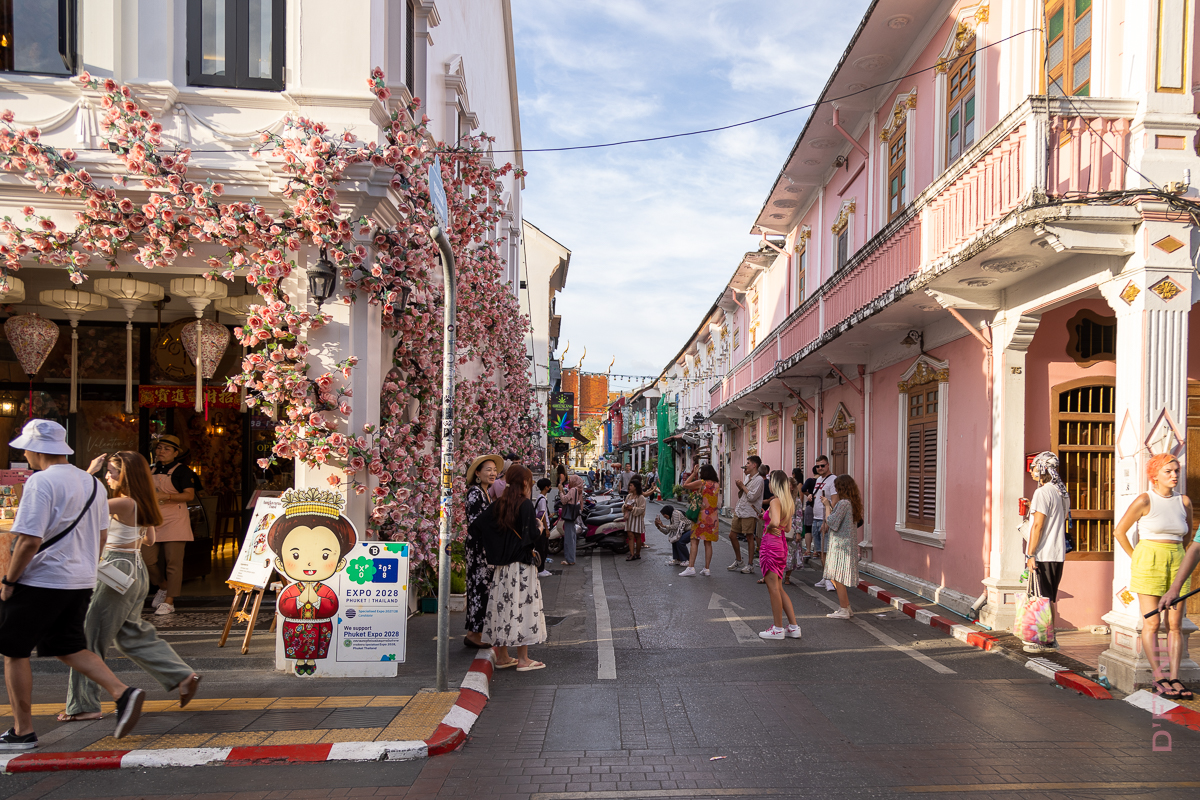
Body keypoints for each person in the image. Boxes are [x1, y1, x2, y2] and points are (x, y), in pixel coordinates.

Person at [0, 419, 146, 749]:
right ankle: (123, 692)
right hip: (79, 580)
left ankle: (23, 730)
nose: (24, 454)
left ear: (36, 450)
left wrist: (10, 580)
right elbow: (102, 536)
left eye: (25, 448)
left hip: (41, 579)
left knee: (14, 650)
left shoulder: (40, 482)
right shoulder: (92, 484)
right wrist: (85, 571)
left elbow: (29, 541)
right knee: (67, 646)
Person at [62, 452, 202, 721]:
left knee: (89, 638)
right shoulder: (143, 503)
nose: (107, 476)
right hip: (136, 570)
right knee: (130, 634)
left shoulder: (123, 503)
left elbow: (76, 507)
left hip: (116, 569)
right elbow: (149, 539)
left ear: (125, 476)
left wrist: (88, 473)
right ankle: (181, 675)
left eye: (111, 472)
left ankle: (84, 705)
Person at [1116, 453, 1195, 700]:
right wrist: (1136, 557)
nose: (1174, 475)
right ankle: (1159, 677)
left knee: (1175, 624)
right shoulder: (1145, 499)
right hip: (1149, 559)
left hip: (1177, 558)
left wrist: (1180, 555)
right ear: (1155, 475)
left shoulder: (1184, 501)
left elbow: (1188, 535)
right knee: (1151, 622)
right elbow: (1119, 531)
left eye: (1176, 471)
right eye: (1168, 471)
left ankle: (1174, 677)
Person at [268, 490, 357, 676]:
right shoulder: (292, 590)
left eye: (325, 555)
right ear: (280, 562)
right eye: (296, 555)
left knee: (316, 644)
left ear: (340, 563)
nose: (309, 563)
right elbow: (284, 606)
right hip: (295, 626)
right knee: (297, 643)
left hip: (320, 626)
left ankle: (311, 661)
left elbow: (332, 606)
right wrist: (298, 601)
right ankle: (300, 661)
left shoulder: (325, 591)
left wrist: (317, 601)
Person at [474, 465, 546, 671]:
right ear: (524, 482)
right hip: (522, 567)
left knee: (503, 608)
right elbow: (530, 536)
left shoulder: (500, 504)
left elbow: (477, 527)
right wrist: (540, 528)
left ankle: (503, 656)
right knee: (523, 608)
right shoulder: (525, 504)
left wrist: (498, 546)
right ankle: (523, 659)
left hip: (503, 568)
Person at [1020, 451, 1070, 655]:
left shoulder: (1042, 493)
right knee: (1048, 599)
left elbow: (1038, 526)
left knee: (1040, 597)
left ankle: (1042, 640)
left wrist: (1030, 554)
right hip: (1057, 554)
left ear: (1042, 469)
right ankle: (1050, 638)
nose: (1031, 472)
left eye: (1033, 468)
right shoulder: (1061, 492)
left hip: (1043, 553)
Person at [145, 434, 199, 616]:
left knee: (173, 563)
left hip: (175, 519)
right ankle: (163, 586)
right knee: (147, 559)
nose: (161, 451)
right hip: (153, 518)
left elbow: (189, 495)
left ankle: (169, 601)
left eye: (166, 449)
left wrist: (166, 496)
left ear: (176, 453)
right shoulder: (150, 469)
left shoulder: (183, 471)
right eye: (159, 448)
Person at [463, 454, 503, 648]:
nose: (492, 473)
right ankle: (473, 633)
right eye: (488, 470)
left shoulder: (485, 492)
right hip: (478, 549)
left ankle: (477, 631)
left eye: (494, 470)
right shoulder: (475, 492)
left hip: (485, 549)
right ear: (477, 473)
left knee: (484, 590)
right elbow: (477, 522)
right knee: (478, 590)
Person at [758, 470, 803, 640]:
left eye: (770, 481)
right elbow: (788, 527)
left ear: (775, 484)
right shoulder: (788, 502)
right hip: (781, 544)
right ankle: (793, 626)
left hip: (771, 545)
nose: (768, 484)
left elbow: (775, 522)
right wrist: (768, 519)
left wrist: (769, 525)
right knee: (779, 587)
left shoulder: (775, 501)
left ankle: (777, 628)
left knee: (773, 589)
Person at [821, 474, 863, 619]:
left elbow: (831, 521)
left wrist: (827, 506)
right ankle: (846, 607)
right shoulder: (850, 503)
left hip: (840, 545)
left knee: (837, 577)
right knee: (836, 576)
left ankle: (844, 609)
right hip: (846, 544)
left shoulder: (843, 503)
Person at [678, 464, 720, 576]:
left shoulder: (702, 483)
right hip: (713, 517)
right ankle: (707, 568)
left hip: (701, 517)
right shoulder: (717, 484)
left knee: (694, 541)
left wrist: (693, 473)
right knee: (708, 543)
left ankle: (691, 567)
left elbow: (685, 485)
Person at [729, 455, 763, 573]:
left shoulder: (759, 480)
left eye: (748, 463)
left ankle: (750, 564)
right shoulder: (748, 477)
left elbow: (753, 497)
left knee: (749, 537)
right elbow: (744, 493)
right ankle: (739, 560)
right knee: (732, 535)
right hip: (740, 509)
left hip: (750, 511)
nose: (746, 465)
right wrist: (740, 487)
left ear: (754, 465)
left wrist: (742, 486)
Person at [810, 457, 838, 590]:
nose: (820, 468)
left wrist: (827, 521)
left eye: (822, 465)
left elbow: (834, 501)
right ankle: (825, 577)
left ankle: (830, 579)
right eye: (818, 466)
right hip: (816, 518)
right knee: (820, 551)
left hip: (824, 519)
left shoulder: (833, 480)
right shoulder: (818, 480)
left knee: (826, 551)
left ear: (828, 465)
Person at [783, 470, 806, 586]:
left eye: (788, 485)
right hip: (780, 529)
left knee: (790, 554)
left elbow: (799, 517)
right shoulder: (780, 499)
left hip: (791, 530)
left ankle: (787, 576)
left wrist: (798, 532)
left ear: (792, 487)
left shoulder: (796, 501)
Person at [559, 474, 583, 567]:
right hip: (573, 516)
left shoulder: (573, 490)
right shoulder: (578, 490)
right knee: (572, 537)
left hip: (569, 516)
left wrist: (560, 491)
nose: (569, 482)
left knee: (569, 538)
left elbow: (564, 500)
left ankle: (570, 559)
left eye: (570, 480)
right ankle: (571, 558)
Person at [623, 479, 647, 560]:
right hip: (629, 518)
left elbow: (642, 509)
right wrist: (625, 507)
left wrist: (632, 508)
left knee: (637, 536)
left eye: (631, 485)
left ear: (635, 487)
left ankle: (637, 553)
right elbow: (624, 505)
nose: (629, 487)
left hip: (637, 519)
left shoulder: (641, 497)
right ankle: (632, 554)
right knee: (630, 536)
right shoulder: (628, 496)